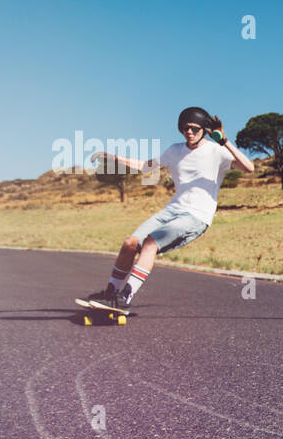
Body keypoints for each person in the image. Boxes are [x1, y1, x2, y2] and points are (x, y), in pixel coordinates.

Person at [81, 107, 255, 310]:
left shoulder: (217, 152)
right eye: (184, 128)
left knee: (150, 244)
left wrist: (224, 141)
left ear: (204, 129)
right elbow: (146, 166)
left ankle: (124, 298)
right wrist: (114, 158)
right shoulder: (174, 150)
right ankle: (110, 293)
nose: (188, 132)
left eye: (193, 128)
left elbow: (248, 168)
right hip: (171, 210)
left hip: (196, 216)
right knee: (130, 243)